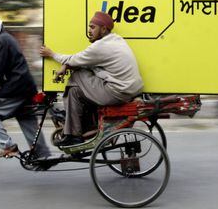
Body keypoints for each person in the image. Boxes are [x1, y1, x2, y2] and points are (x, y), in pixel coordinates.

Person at [40, 11, 143, 146]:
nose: (89, 30)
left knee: (77, 75)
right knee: (74, 91)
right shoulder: (116, 40)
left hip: (118, 92)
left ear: (104, 29)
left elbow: (74, 59)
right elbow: (87, 63)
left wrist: (52, 54)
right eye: (89, 27)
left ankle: (74, 134)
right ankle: (77, 129)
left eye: (93, 27)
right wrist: (69, 65)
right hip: (128, 89)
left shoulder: (101, 47)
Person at [0, 17, 51, 161]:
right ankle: (41, 155)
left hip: (17, 87)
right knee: (25, 117)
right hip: (25, 86)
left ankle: (7, 145)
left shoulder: (1, 41)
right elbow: (3, 69)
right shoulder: (7, 38)